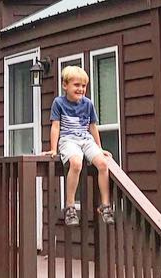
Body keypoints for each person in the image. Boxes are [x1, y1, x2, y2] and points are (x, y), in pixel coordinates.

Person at [48, 64, 114, 225]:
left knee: (103, 164)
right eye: (76, 85)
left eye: (83, 86)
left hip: (85, 139)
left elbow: (92, 127)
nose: (81, 89)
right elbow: (55, 126)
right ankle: (70, 206)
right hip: (68, 139)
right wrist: (53, 149)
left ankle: (105, 205)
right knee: (76, 163)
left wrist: (99, 148)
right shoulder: (59, 103)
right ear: (65, 85)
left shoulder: (88, 104)